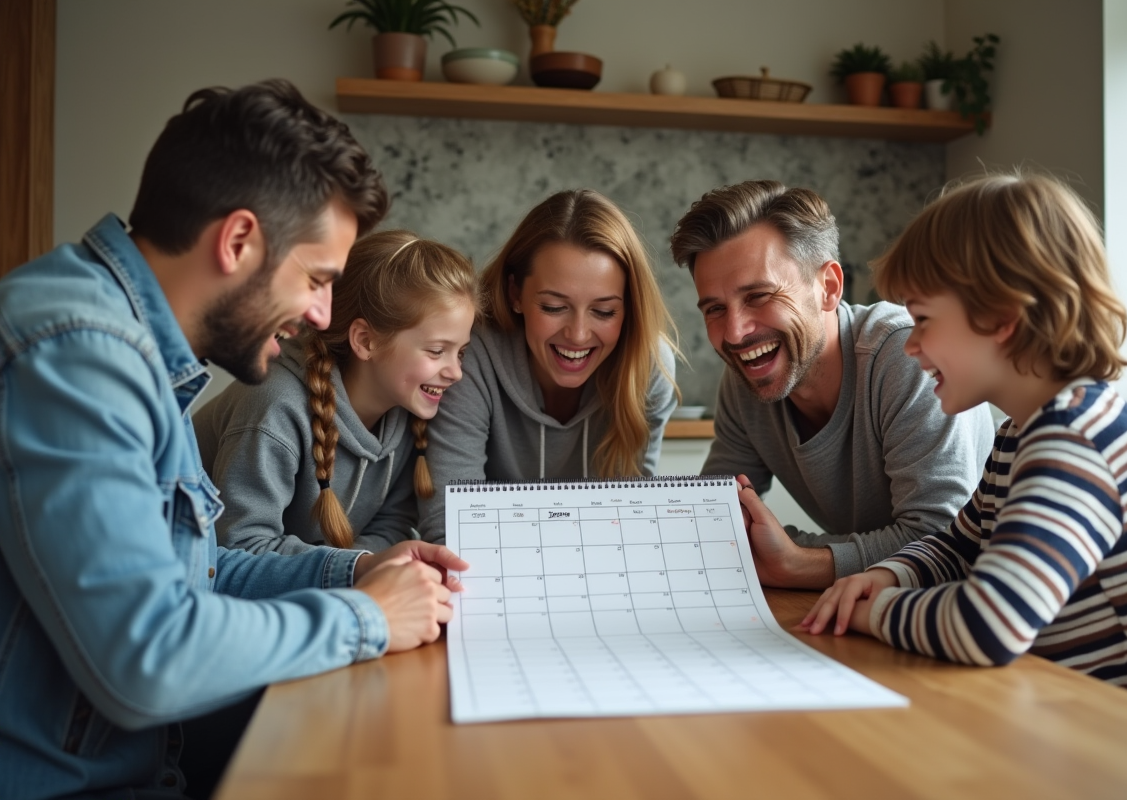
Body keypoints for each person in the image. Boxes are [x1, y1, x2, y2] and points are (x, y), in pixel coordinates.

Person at [0, 80, 469, 800]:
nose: (322, 316)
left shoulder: (138, 353)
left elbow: (197, 572)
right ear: (239, 240)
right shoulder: (77, 355)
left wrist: (355, 573)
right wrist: (367, 618)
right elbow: (146, 660)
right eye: (317, 279)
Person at [792, 173, 1127, 711]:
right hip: (1064, 715)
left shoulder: (1076, 441)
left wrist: (876, 611)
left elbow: (990, 624)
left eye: (923, 320)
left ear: (1001, 316)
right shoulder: (1022, 432)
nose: (910, 346)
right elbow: (962, 544)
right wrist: (891, 571)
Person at [669, 180, 994, 589]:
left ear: (829, 287)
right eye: (715, 308)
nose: (734, 334)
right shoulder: (746, 381)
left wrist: (800, 561)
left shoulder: (908, 354)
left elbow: (942, 541)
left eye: (758, 296)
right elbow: (715, 518)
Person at [417, 189, 679, 542]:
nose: (578, 334)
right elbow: (451, 528)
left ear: (629, 308)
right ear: (516, 295)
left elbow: (631, 523)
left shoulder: (649, 366)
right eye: (554, 307)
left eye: (604, 311)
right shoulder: (469, 355)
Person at [195, 230, 477, 554]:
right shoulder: (274, 408)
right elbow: (240, 547)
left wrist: (364, 569)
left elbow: (392, 524)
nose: (455, 373)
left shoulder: (407, 410)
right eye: (437, 351)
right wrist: (355, 569)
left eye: (461, 353)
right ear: (365, 341)